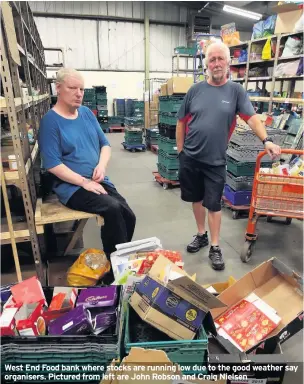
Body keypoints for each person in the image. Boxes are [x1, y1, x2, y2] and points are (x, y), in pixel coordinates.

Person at [176, 42, 281, 271]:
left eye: (219, 59)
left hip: (215, 160)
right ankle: (201, 234)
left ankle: (215, 246)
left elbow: (252, 118)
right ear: (207, 64)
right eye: (211, 60)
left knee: (213, 204)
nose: (215, 64)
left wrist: (267, 140)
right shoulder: (195, 90)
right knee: (196, 199)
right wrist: (181, 150)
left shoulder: (235, 91)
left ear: (228, 63)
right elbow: (181, 121)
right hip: (191, 158)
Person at [39, 68, 136, 265]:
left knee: (129, 216)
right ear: (58, 88)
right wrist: (84, 182)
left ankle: (119, 262)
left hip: (97, 180)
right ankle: (114, 270)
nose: (79, 93)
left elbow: (105, 145)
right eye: (73, 88)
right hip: (73, 187)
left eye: (82, 89)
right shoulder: (50, 122)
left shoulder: (86, 114)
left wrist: (101, 166)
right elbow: (53, 164)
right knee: (112, 209)